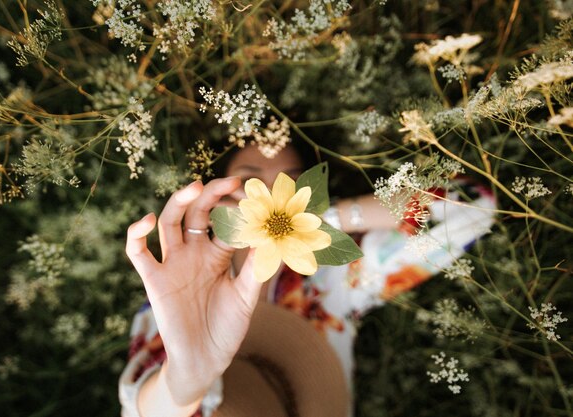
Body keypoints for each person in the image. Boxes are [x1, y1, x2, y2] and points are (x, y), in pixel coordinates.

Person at [120, 143, 496, 417]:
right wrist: (187, 377)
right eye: (249, 182)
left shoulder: (334, 278)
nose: (269, 194)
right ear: (216, 194)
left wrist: (312, 220)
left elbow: (474, 205)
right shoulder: (175, 301)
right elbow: (144, 406)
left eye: (290, 183)